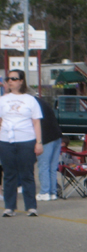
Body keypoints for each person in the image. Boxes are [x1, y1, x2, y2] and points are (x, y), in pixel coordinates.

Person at [1, 70, 43, 217]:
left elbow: (36, 122)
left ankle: (31, 206)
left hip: (26, 140)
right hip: (6, 141)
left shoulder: (30, 100)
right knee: (9, 174)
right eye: (8, 78)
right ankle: (9, 207)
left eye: (14, 78)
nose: (10, 81)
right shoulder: (3, 99)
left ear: (21, 81)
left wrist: (39, 142)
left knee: (27, 174)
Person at [35, 96, 62, 202]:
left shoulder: (31, 103)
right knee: (52, 166)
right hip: (56, 135)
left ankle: (44, 191)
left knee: (44, 165)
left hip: (45, 137)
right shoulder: (42, 102)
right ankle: (52, 192)